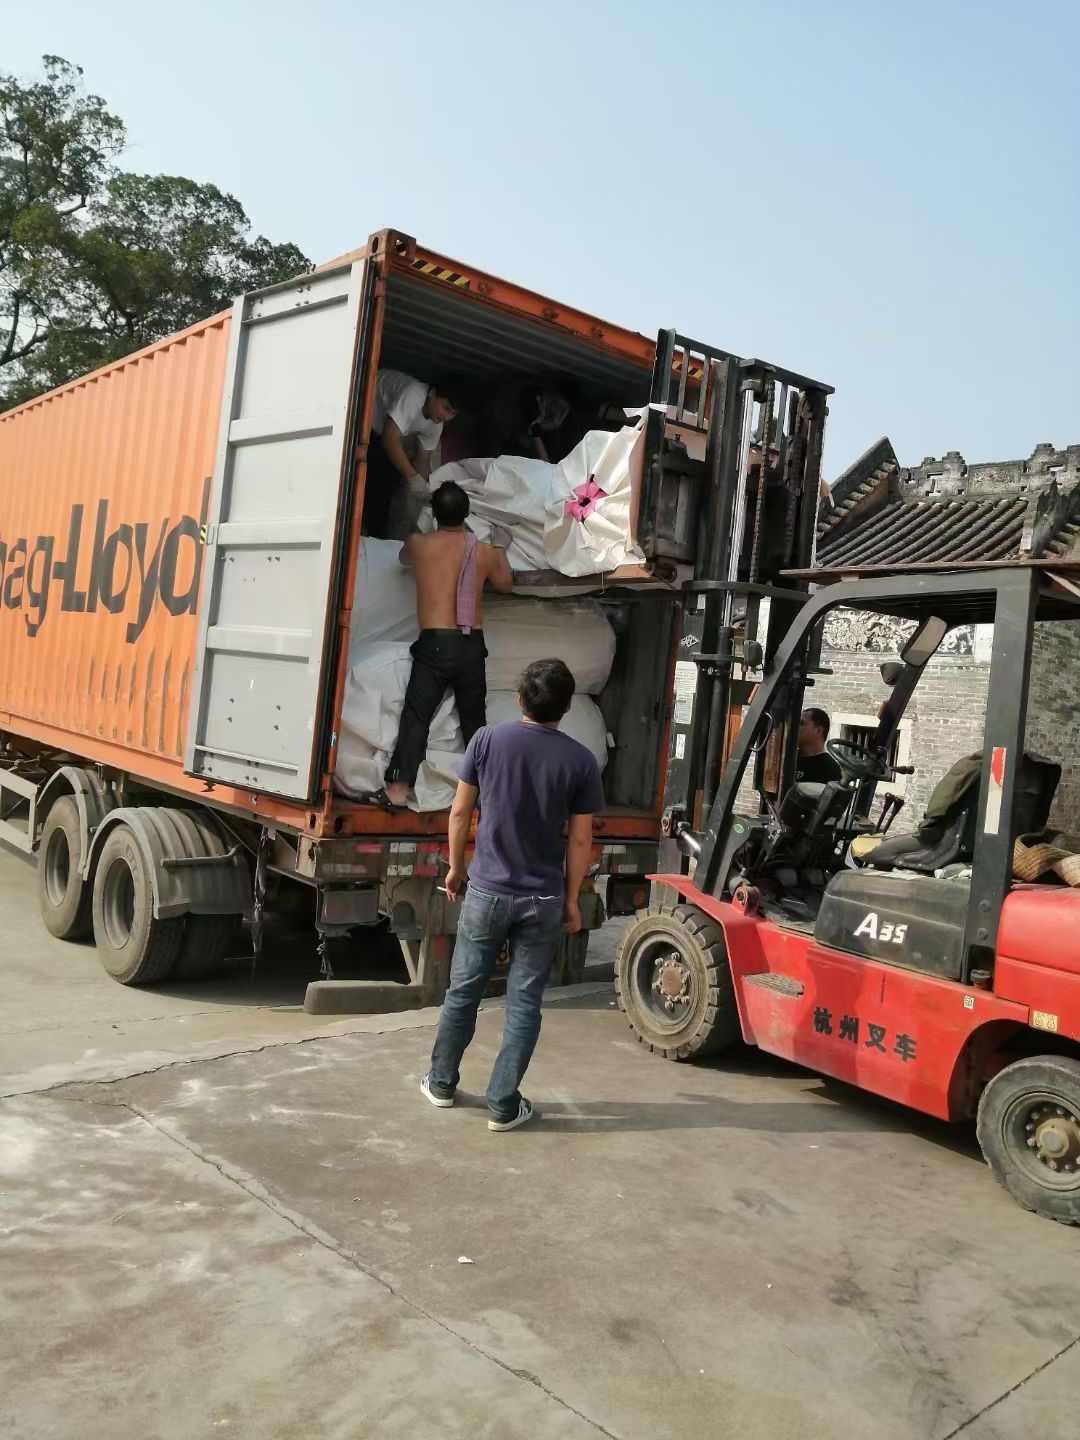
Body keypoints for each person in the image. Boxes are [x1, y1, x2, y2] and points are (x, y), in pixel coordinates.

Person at [421, 657, 605, 1130]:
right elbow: (580, 841)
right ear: (566, 707)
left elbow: (460, 813)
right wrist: (571, 899)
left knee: (463, 990)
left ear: (520, 699)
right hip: (542, 900)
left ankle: (441, 1083)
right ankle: (503, 1104)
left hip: (486, 891)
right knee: (524, 1003)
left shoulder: (486, 741)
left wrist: (456, 868)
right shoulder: (581, 761)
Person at [380, 481, 513, 809]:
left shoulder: (419, 544)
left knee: (416, 716)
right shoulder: (483, 551)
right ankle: (487, 793)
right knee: (474, 722)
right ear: (467, 513)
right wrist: (500, 547)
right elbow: (505, 584)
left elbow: (402, 558)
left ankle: (398, 789)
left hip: (435, 645)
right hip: (470, 645)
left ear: (435, 514)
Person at [363, 370, 462, 539]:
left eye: (453, 414)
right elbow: (389, 438)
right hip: (366, 403)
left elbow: (423, 459)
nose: (447, 417)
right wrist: (412, 476)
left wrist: (425, 488)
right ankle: (367, 530)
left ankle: (375, 532)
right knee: (375, 480)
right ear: (432, 393)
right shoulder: (413, 395)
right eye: (446, 408)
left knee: (390, 484)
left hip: (384, 428)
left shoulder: (436, 424)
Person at [796, 707, 843, 784]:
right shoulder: (787, 758)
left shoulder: (831, 769)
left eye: (801, 723)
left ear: (818, 730)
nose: (795, 727)